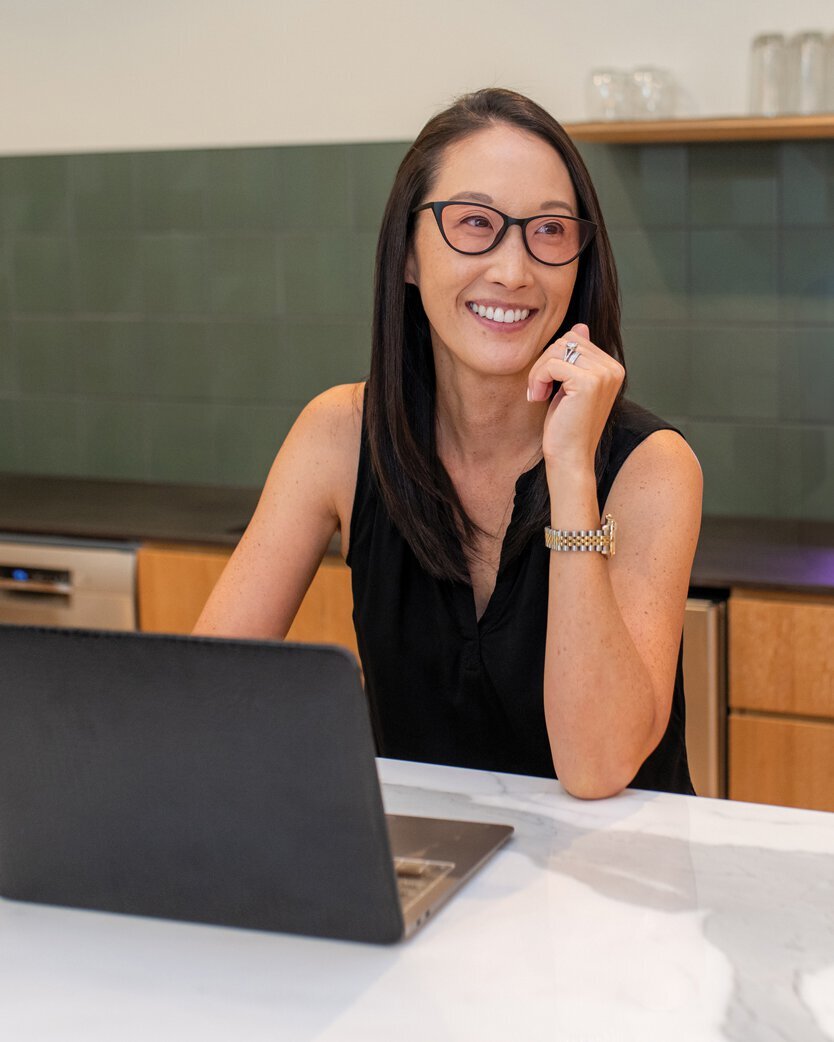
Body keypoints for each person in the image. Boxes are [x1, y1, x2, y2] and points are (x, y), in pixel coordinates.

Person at [194, 88, 702, 799]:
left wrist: (570, 472)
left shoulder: (652, 468)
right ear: (407, 253)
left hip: (615, 868)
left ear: (579, 261)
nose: (513, 271)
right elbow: (202, 697)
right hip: (421, 860)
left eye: (549, 231)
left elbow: (596, 767)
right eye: (474, 223)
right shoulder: (340, 434)